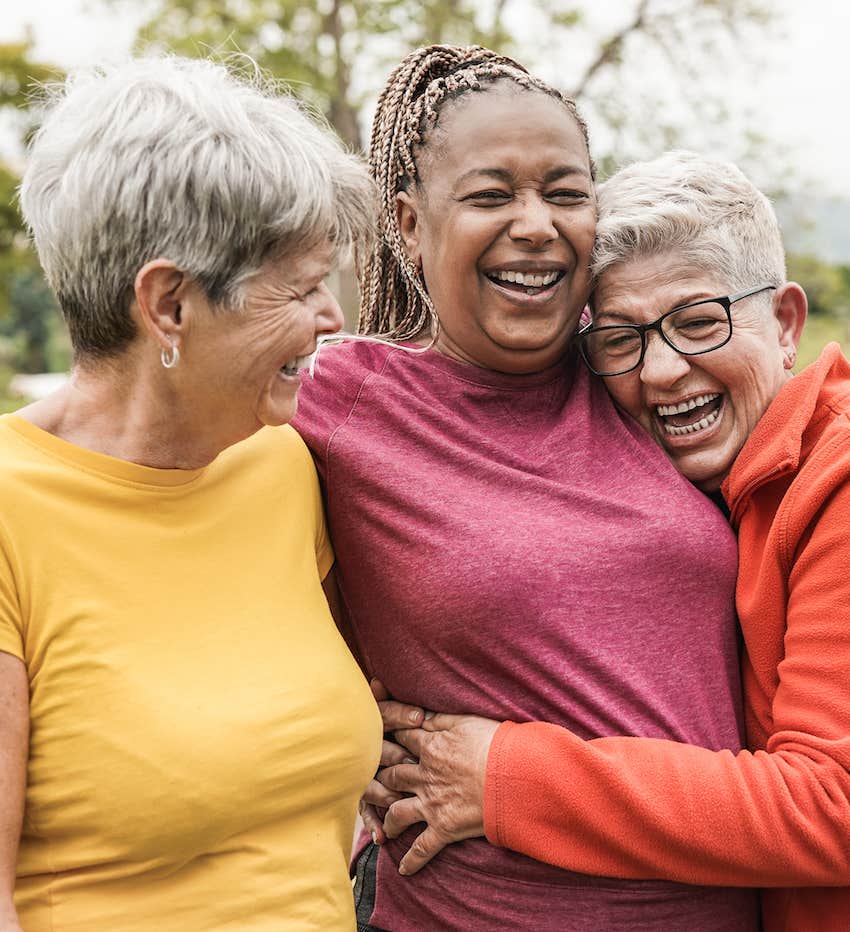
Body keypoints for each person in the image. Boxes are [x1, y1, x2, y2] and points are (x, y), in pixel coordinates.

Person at [293, 47, 758, 930]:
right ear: (406, 225)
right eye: (491, 194)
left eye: (566, 191)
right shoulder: (340, 406)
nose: (537, 223)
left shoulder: (643, 373)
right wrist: (346, 744)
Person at [375, 151, 850, 932]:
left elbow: (831, 804)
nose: (662, 371)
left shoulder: (832, 481)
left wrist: (506, 777)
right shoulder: (715, 487)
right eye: (623, 340)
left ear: (787, 322)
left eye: (700, 322)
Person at [0, 56, 382, 932]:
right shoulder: (11, 517)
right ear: (169, 304)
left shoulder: (284, 463)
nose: (332, 318)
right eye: (301, 286)